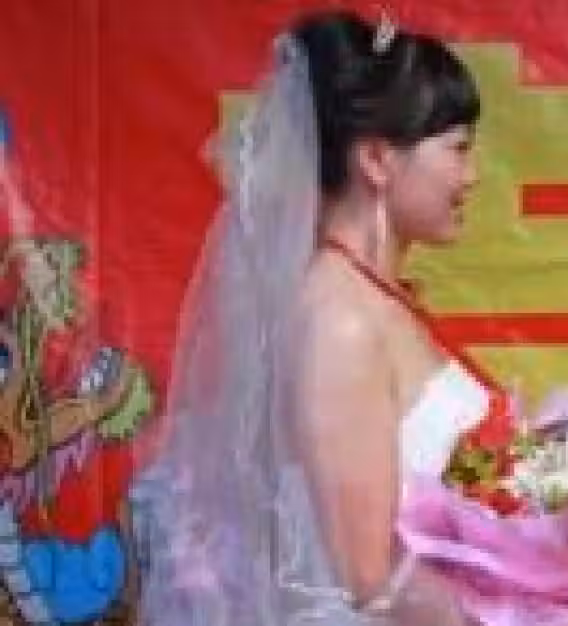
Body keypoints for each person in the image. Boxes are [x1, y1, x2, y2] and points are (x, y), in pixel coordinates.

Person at [135, 10, 489, 625]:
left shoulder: (369, 299)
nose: (472, 176)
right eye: (457, 149)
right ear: (376, 159)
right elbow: (370, 584)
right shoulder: (338, 321)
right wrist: (537, 608)